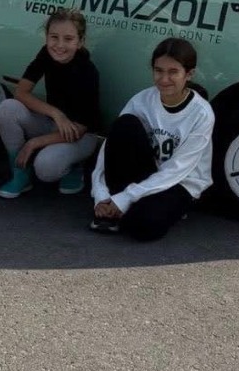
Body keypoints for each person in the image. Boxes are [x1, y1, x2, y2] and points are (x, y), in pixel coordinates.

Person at [89, 37, 215, 241]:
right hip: (144, 173)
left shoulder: (201, 113)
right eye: (158, 70)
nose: (164, 79)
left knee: (143, 226)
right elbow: (110, 149)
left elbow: (178, 169)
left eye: (173, 72)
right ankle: (113, 207)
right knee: (124, 124)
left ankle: (128, 209)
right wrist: (100, 195)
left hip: (179, 182)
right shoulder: (142, 100)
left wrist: (125, 198)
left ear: (188, 74)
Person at [0, 9, 101, 199]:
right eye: (54, 37)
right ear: (46, 37)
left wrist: (34, 143)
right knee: (7, 108)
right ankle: (20, 173)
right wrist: (55, 113)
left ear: (80, 41)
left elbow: (82, 127)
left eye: (68, 39)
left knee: (45, 168)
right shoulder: (46, 54)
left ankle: (74, 167)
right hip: (54, 123)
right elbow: (21, 92)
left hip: (80, 135)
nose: (59, 45)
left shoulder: (87, 71)